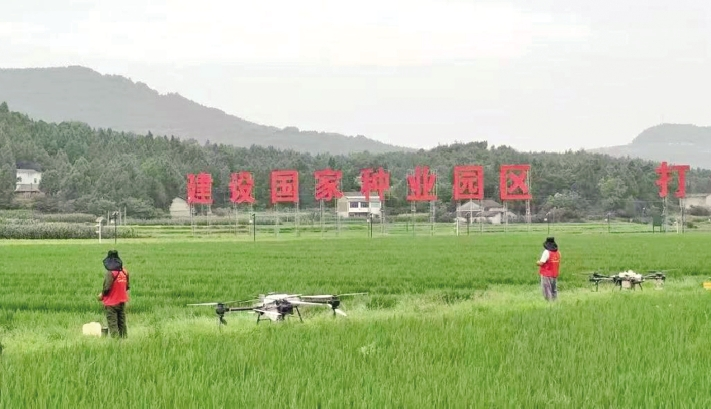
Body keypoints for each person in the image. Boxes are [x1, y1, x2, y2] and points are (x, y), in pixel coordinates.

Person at [97, 250, 130, 338]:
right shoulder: (125, 272)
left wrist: (101, 295)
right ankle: (124, 340)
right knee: (122, 323)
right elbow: (127, 287)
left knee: (113, 324)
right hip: (122, 302)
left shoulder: (110, 273)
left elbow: (106, 288)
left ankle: (116, 342)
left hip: (111, 304)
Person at [536, 237, 560, 301]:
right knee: (554, 290)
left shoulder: (546, 252)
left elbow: (541, 263)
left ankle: (549, 304)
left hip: (546, 275)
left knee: (547, 290)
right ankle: (555, 303)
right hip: (554, 274)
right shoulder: (558, 252)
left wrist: (537, 262)